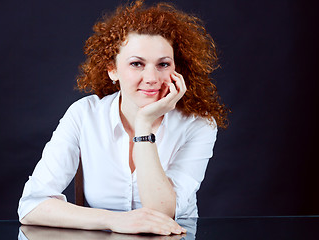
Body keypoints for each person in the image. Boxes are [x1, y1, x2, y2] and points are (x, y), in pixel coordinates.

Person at [18, 0, 228, 236]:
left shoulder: (198, 123)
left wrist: (143, 124)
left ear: (177, 69)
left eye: (163, 64)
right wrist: (114, 220)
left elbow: (161, 212)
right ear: (113, 70)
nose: (151, 77)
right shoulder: (84, 114)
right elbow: (31, 207)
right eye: (136, 64)